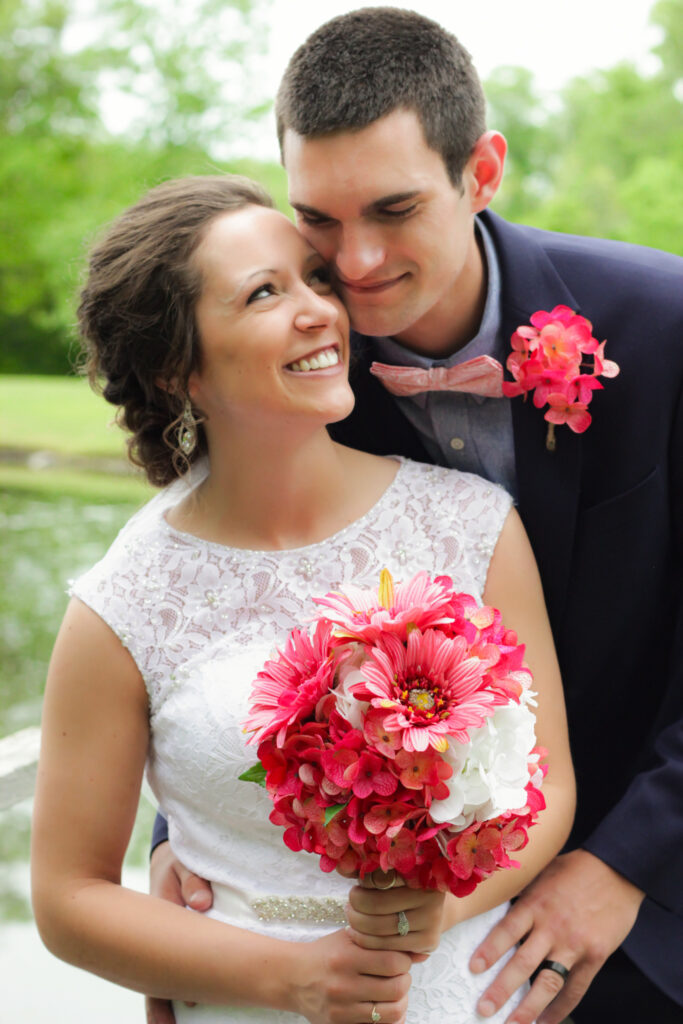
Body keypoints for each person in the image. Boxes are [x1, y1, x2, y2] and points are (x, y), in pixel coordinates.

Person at [148, 9, 683, 1024]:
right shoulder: (292, 369)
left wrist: (619, 866)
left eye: (392, 209)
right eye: (318, 220)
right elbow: (220, 600)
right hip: (387, 941)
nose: (351, 265)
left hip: (649, 910)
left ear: (480, 170)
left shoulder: (664, 326)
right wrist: (183, 839)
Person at [30, 174, 575, 1024]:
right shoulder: (123, 602)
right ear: (180, 369)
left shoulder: (470, 523)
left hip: (463, 993)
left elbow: (547, 788)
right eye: (263, 294)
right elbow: (69, 899)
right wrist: (285, 981)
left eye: (313, 279)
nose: (321, 309)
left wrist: (440, 910)